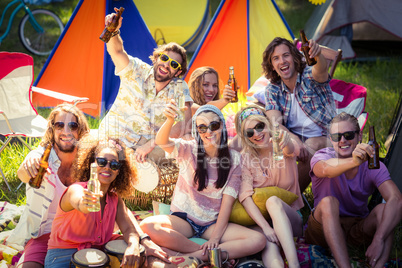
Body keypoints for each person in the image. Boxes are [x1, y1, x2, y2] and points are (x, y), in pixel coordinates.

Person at [140, 104, 266, 264]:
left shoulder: (234, 159)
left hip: (211, 224)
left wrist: (215, 238)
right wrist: (170, 120)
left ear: (222, 126)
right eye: (202, 127)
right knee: (147, 226)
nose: (209, 132)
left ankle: (191, 257)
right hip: (184, 220)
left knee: (258, 239)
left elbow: (226, 204)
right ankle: (202, 253)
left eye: (214, 125)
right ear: (197, 131)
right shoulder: (188, 149)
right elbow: (161, 141)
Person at [44, 137, 170, 267]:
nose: (107, 167)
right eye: (102, 162)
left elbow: (128, 228)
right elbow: (79, 201)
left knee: (141, 256)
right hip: (63, 257)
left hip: (99, 255)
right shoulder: (75, 189)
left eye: (114, 165)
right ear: (92, 164)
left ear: (119, 171)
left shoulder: (115, 199)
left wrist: (133, 245)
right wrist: (85, 203)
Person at [305, 112, 402, 268]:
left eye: (348, 135)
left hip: (355, 228)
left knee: (385, 210)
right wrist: (354, 161)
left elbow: (396, 199)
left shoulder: (372, 164)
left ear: (360, 136)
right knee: (329, 202)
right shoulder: (322, 156)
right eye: (337, 137)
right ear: (331, 139)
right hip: (322, 227)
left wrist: (379, 238)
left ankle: (378, 265)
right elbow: (325, 170)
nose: (343, 140)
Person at [99, 8, 193, 164]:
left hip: (146, 146)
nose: (166, 65)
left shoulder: (179, 87)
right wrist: (114, 32)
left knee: (183, 148)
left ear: (178, 72)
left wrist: (151, 144)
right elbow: (116, 51)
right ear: (156, 59)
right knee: (111, 158)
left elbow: (185, 124)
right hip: (114, 136)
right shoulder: (136, 69)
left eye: (174, 64)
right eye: (164, 58)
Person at [5, 104, 90, 268]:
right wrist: (28, 166)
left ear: (81, 131)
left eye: (73, 125)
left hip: (78, 235)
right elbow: (22, 174)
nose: (66, 131)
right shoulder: (41, 157)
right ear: (52, 130)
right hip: (43, 235)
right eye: (59, 125)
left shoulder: (87, 161)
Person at [262, 37, 337, 192]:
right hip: (297, 138)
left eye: (286, 55)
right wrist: (294, 139)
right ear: (272, 66)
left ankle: (292, 199)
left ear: (295, 58)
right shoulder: (273, 89)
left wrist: (318, 56)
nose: (282, 61)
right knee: (262, 140)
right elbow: (275, 124)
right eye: (276, 58)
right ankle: (261, 191)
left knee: (311, 146)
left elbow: (321, 70)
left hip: (330, 139)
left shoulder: (309, 76)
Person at [235, 105, 303, 268]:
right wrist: (266, 228)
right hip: (266, 223)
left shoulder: (281, 143)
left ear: (267, 124)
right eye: (250, 132)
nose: (257, 134)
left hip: (292, 217)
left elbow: (293, 149)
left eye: (260, 126)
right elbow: (245, 197)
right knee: (268, 246)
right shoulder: (245, 159)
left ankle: (294, 265)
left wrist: (287, 142)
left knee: (272, 201)